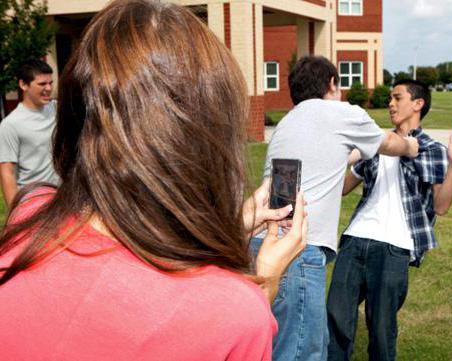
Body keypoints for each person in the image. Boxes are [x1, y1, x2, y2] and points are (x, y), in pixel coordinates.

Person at [0, 0, 307, 359]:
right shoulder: (232, 315)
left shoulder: (29, 219)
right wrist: (264, 284)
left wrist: (233, 227)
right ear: (206, 138)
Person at [252, 56, 419, 361]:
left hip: (263, 246)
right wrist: (411, 146)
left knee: (285, 342)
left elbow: (326, 159)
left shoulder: (290, 122)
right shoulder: (341, 113)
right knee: (303, 350)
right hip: (298, 251)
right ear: (331, 84)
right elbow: (388, 143)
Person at [327, 79, 452, 361]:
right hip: (355, 240)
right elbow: (344, 187)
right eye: (390, 98)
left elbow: (441, 206)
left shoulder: (431, 149)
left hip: (394, 247)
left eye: (397, 97)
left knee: (381, 330)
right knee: (335, 319)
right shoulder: (378, 144)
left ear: (418, 104)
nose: (390, 103)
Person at [0, 60, 59, 209]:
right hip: (32, 202)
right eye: (42, 84)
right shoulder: (11, 124)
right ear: (23, 85)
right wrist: (15, 214)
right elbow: (7, 172)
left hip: (61, 199)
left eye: (50, 83)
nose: (49, 88)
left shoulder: (57, 109)